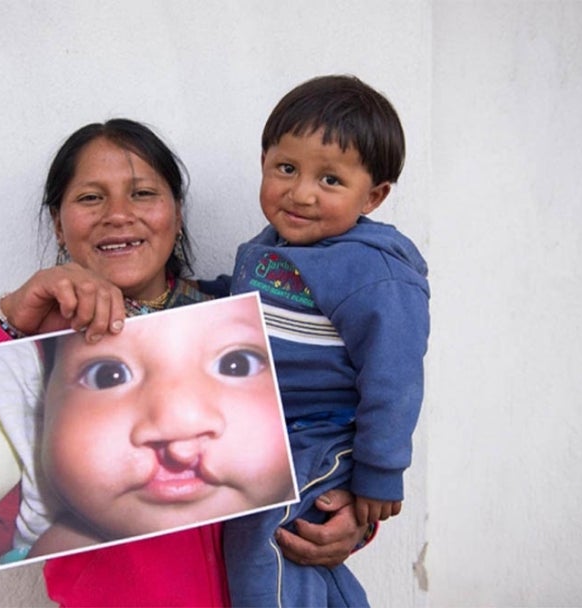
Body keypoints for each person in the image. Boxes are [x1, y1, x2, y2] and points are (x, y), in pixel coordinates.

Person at [0, 118, 369, 606]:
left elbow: (330, 434)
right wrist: (5, 317)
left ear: (176, 213)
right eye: (91, 197)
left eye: (143, 194)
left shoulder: (251, 326)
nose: (119, 215)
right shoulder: (27, 355)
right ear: (58, 222)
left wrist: (350, 517)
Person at [211, 75, 431, 606]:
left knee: (261, 536)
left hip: (322, 439)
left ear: (373, 196)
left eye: (330, 180)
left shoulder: (374, 274)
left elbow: (394, 379)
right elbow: (243, 305)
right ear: (264, 162)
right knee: (296, 552)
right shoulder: (267, 250)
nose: (301, 192)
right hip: (272, 434)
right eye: (286, 168)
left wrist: (379, 474)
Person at [27, 294, 295, 558]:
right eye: (108, 376)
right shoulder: (64, 552)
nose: (177, 422)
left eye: (235, 365)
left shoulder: (312, 516)